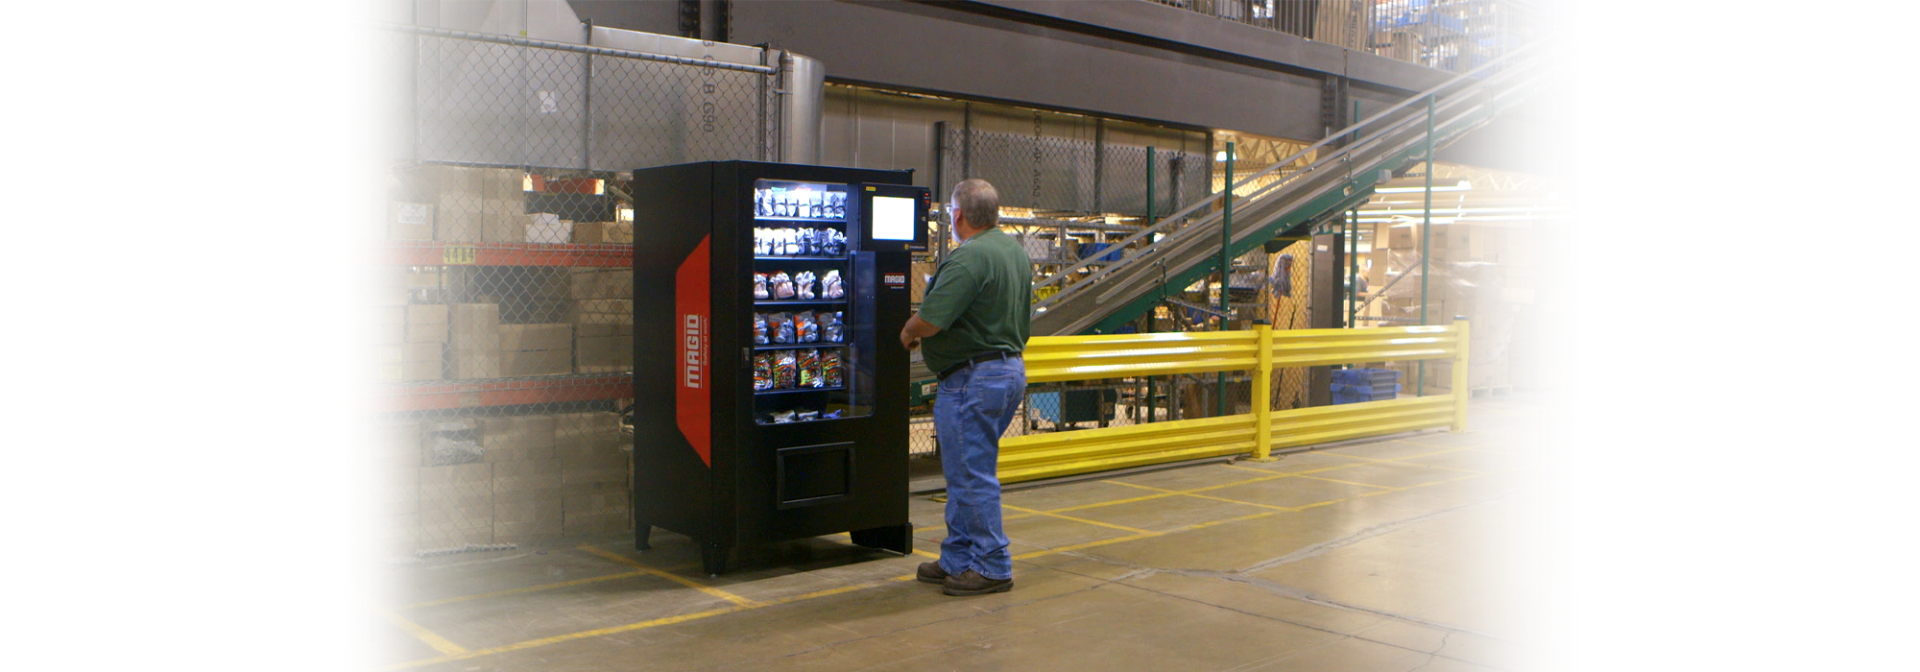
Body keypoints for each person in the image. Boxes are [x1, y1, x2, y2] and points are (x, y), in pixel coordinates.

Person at [900, 178, 1030, 596]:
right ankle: (958, 556)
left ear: (957, 215)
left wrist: (909, 330)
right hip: (1005, 371)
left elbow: (932, 319)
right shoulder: (1012, 251)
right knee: (964, 471)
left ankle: (993, 565)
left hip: (973, 378)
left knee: (971, 476)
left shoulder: (969, 259)